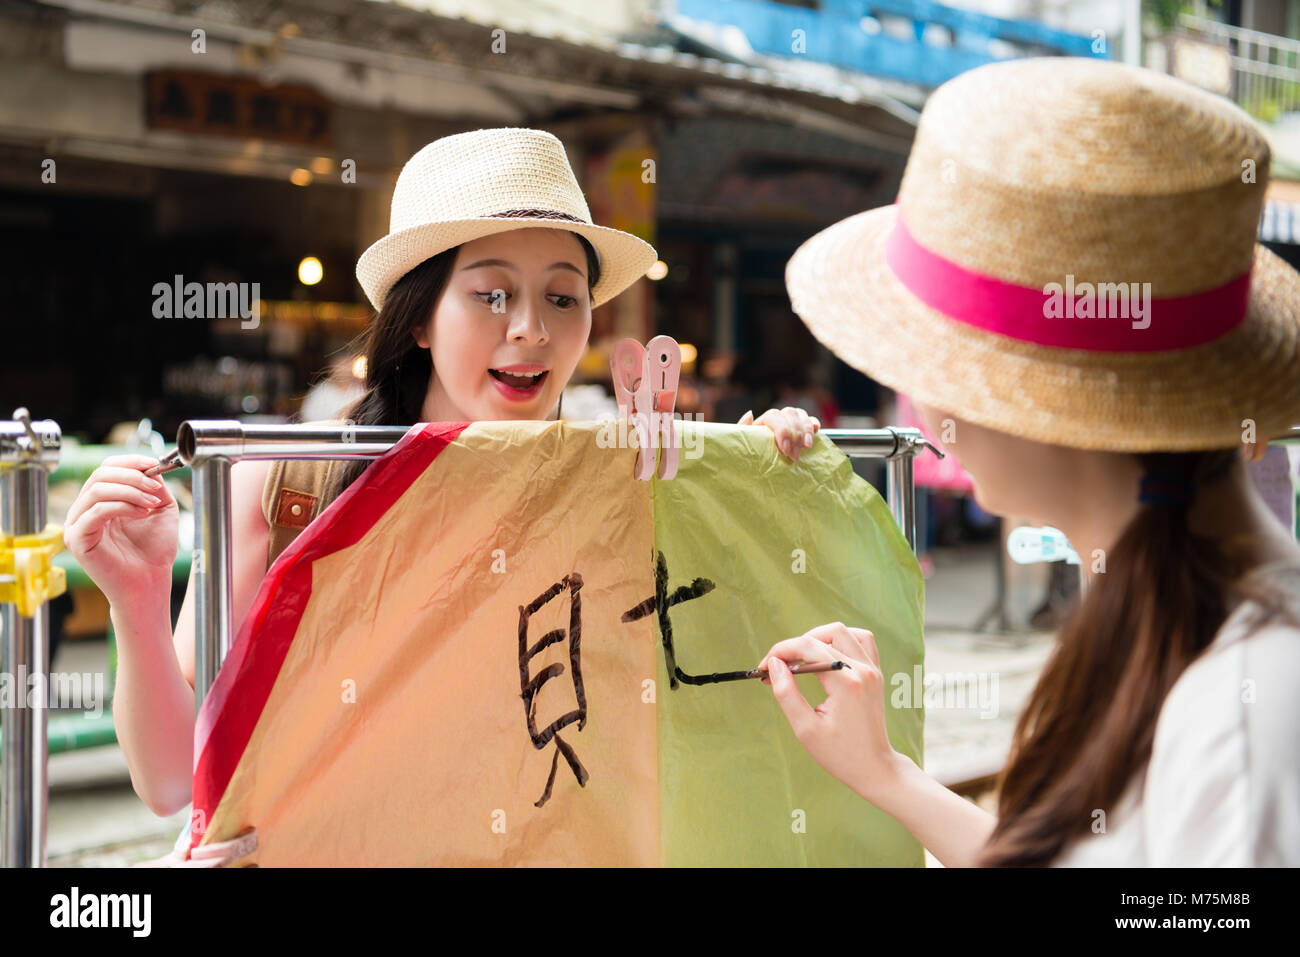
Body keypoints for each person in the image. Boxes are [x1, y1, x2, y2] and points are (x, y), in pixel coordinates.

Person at [63, 128, 819, 818]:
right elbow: (169, 781)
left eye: (563, 296)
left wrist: (751, 476)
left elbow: (701, 700)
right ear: (419, 317)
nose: (532, 327)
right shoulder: (289, 481)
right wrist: (135, 596)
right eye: (492, 292)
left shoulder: (612, 485)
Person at [759, 59, 1300, 866]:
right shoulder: (1168, 612)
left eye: (928, 358)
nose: (918, 400)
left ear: (1035, 399)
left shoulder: (1250, 712)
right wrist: (887, 775)